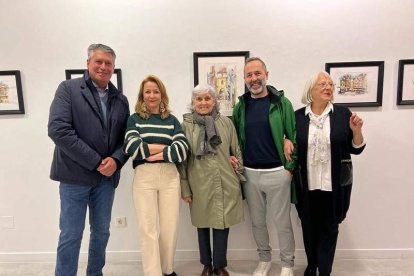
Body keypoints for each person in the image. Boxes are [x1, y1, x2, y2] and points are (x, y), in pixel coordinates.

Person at [48, 43, 130, 276]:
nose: (103, 67)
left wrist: (115, 160)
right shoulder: (68, 89)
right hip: (74, 177)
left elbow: (128, 138)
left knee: (102, 232)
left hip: (105, 181)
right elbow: (58, 130)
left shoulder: (120, 99)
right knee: (71, 234)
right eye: (99, 61)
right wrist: (96, 162)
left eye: (108, 63)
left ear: (114, 67)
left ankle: (95, 273)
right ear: (88, 63)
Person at [292, 71, 365, 276]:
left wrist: (357, 130)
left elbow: (356, 148)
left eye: (331, 84)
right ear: (310, 91)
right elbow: (291, 145)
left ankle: (324, 270)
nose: (328, 88)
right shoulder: (297, 117)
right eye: (322, 84)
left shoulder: (343, 114)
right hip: (307, 184)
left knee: (330, 228)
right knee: (308, 227)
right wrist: (286, 140)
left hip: (335, 185)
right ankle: (311, 265)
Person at [232, 57, 297, 276]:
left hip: (278, 172)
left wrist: (289, 168)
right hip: (250, 173)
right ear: (244, 79)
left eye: (257, 73)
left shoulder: (281, 103)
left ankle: (287, 263)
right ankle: (264, 259)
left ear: (266, 74)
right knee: (258, 222)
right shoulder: (241, 106)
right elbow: (236, 139)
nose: (254, 78)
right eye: (249, 75)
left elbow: (293, 135)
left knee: (282, 223)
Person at [123, 74, 189, 276]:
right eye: (147, 92)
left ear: (162, 95)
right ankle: (153, 273)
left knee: (170, 227)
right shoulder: (134, 119)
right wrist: (164, 148)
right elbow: (132, 147)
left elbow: (182, 149)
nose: (152, 96)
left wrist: (153, 152)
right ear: (142, 96)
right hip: (144, 177)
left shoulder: (172, 120)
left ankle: (167, 269)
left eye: (156, 91)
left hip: (169, 177)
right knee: (148, 228)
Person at [180, 84, 245, 276]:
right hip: (198, 182)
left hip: (225, 181)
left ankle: (219, 265)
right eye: (199, 99)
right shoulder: (186, 126)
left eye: (207, 98)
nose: (203, 103)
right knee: (202, 224)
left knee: (221, 224)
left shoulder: (226, 123)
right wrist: (185, 187)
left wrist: (237, 166)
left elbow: (237, 150)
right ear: (193, 103)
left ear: (215, 101)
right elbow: (182, 160)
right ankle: (206, 264)